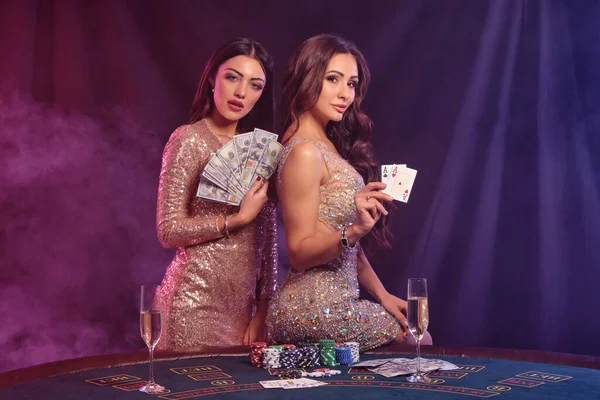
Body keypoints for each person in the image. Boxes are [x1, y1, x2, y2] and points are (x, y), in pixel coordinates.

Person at [266, 34, 432, 351]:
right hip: (310, 309)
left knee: (415, 330)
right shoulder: (304, 151)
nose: (345, 94)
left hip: (326, 304)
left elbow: (347, 251)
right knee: (419, 337)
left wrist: (383, 296)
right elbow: (299, 253)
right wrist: (354, 230)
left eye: (352, 84)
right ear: (307, 78)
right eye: (333, 79)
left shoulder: (324, 145)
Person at [155, 38, 277, 349]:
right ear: (213, 78)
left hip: (244, 313)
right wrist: (234, 220)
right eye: (232, 77)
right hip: (192, 304)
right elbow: (168, 231)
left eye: (255, 85)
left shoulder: (258, 149)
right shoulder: (188, 139)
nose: (241, 92)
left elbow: (267, 240)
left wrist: (263, 309)